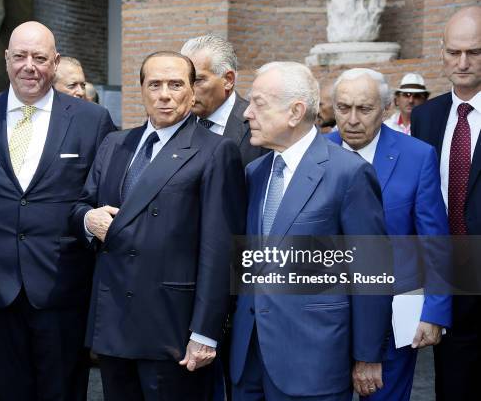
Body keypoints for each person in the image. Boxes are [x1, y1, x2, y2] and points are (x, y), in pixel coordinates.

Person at [0, 21, 115, 401]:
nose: (29, 66)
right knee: (8, 391)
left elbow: (104, 198)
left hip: (64, 287)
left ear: (54, 62)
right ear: (7, 59)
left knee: (64, 391)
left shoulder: (91, 121)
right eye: (20, 56)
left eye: (39, 58)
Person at [71, 51, 246, 400]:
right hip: (115, 319)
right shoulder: (115, 143)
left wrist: (206, 332)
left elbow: (219, 249)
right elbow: (81, 205)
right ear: (142, 90)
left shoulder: (215, 151)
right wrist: (88, 221)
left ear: (191, 92)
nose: (164, 94)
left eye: (175, 84)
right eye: (155, 84)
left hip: (172, 327)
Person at [229, 62, 392, 400]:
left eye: (258, 103)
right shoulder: (255, 172)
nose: (247, 113)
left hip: (313, 359)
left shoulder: (348, 174)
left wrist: (367, 355)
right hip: (249, 358)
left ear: (295, 112)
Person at [327, 68, 451, 401]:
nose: (352, 119)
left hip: (396, 313)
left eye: (364, 109)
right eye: (343, 108)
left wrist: (434, 311)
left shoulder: (417, 156)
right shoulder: (314, 154)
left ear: (384, 110)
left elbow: (435, 242)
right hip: (325, 317)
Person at [411, 6, 481, 401]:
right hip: (448, 281)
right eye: (454, 52)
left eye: (474, 52)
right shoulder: (426, 117)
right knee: (453, 386)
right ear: (442, 53)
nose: (463, 62)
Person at [181, 34, 268, 166]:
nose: (187, 90)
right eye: (182, 82)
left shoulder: (260, 125)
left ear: (228, 80)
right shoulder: (175, 124)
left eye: (197, 80)